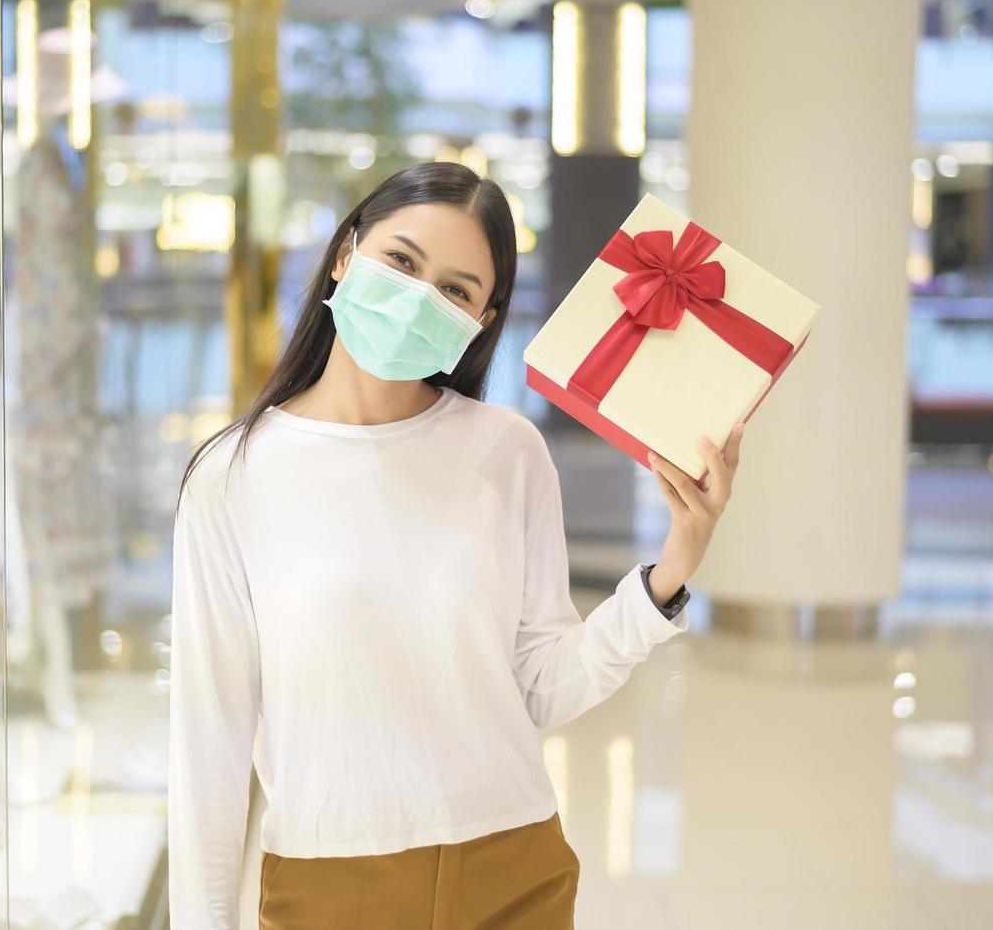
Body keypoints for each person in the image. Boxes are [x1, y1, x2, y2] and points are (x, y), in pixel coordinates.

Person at [167, 161, 744, 929]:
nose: (416, 301)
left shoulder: (506, 451)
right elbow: (209, 742)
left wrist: (673, 569)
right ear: (345, 255)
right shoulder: (232, 475)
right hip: (328, 888)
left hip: (515, 870)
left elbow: (539, 684)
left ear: (481, 319)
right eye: (400, 262)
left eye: (454, 290)